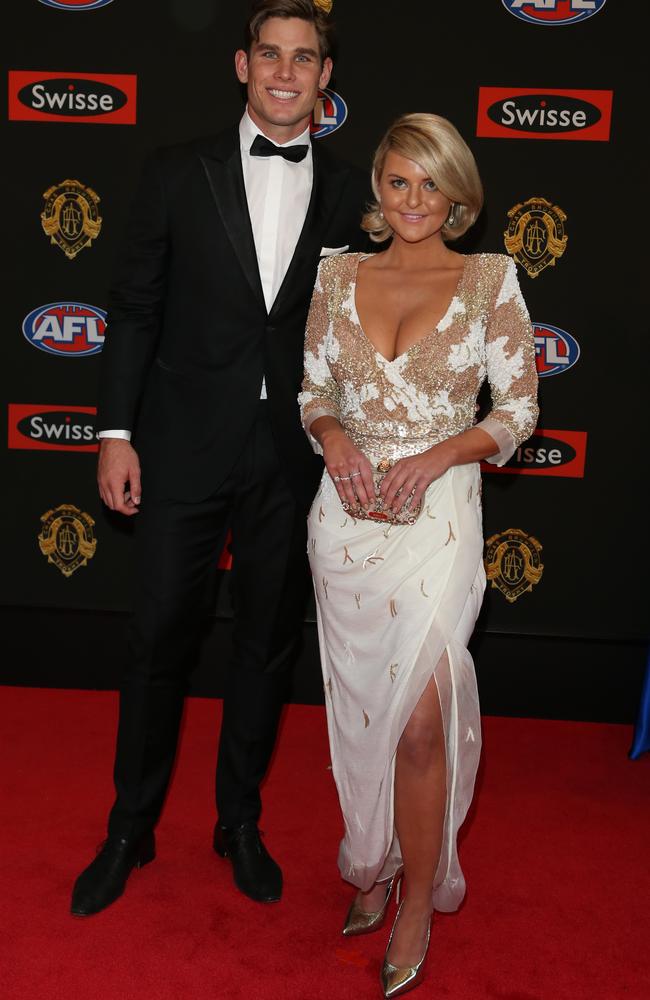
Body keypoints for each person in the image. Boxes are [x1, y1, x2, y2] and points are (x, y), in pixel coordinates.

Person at [71, 0, 370, 917]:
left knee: (266, 648)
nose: (286, 72)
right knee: (158, 637)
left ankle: (237, 819)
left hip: (293, 456)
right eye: (270, 55)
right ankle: (130, 824)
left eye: (305, 58)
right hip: (180, 446)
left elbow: (362, 339)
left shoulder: (357, 190)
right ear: (242, 65)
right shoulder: (175, 173)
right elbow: (133, 307)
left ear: (325, 78)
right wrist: (114, 432)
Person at [299, 112, 539, 997]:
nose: (413, 201)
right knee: (368, 712)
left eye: (432, 184)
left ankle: (414, 902)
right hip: (346, 521)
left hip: (440, 521)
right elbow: (313, 390)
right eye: (399, 181)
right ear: (379, 186)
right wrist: (334, 440)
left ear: (458, 196)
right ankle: (381, 853)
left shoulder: (489, 280)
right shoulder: (338, 274)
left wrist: (440, 455)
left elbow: (517, 410)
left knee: (425, 719)